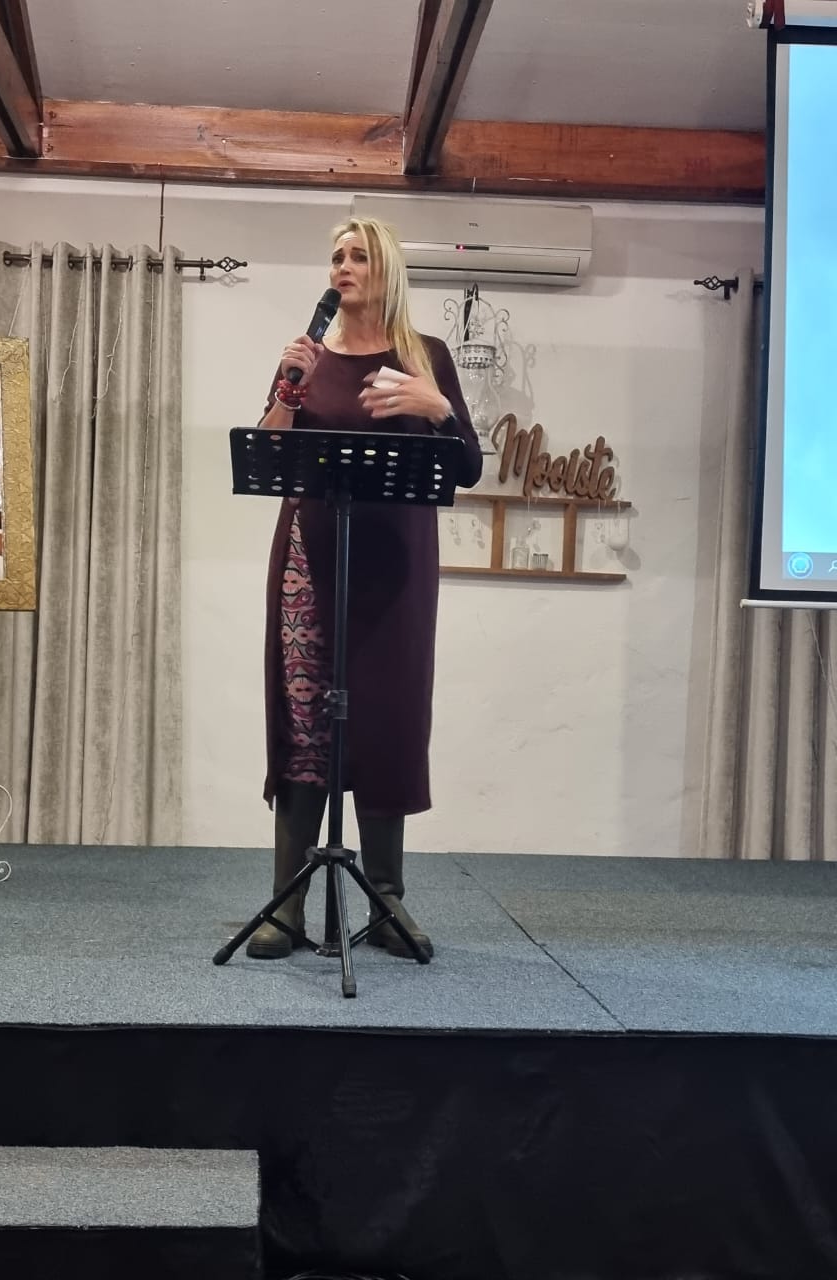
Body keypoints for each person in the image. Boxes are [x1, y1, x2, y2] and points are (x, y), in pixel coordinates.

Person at [246, 216, 483, 961]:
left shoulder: (425, 357)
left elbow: (468, 465)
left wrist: (435, 407)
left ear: (387, 270)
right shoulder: (306, 356)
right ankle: (288, 905)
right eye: (336, 257)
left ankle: (385, 901)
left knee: (387, 715)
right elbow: (267, 448)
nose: (343, 267)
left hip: (395, 564)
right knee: (305, 719)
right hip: (308, 559)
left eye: (359, 256)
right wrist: (289, 388)